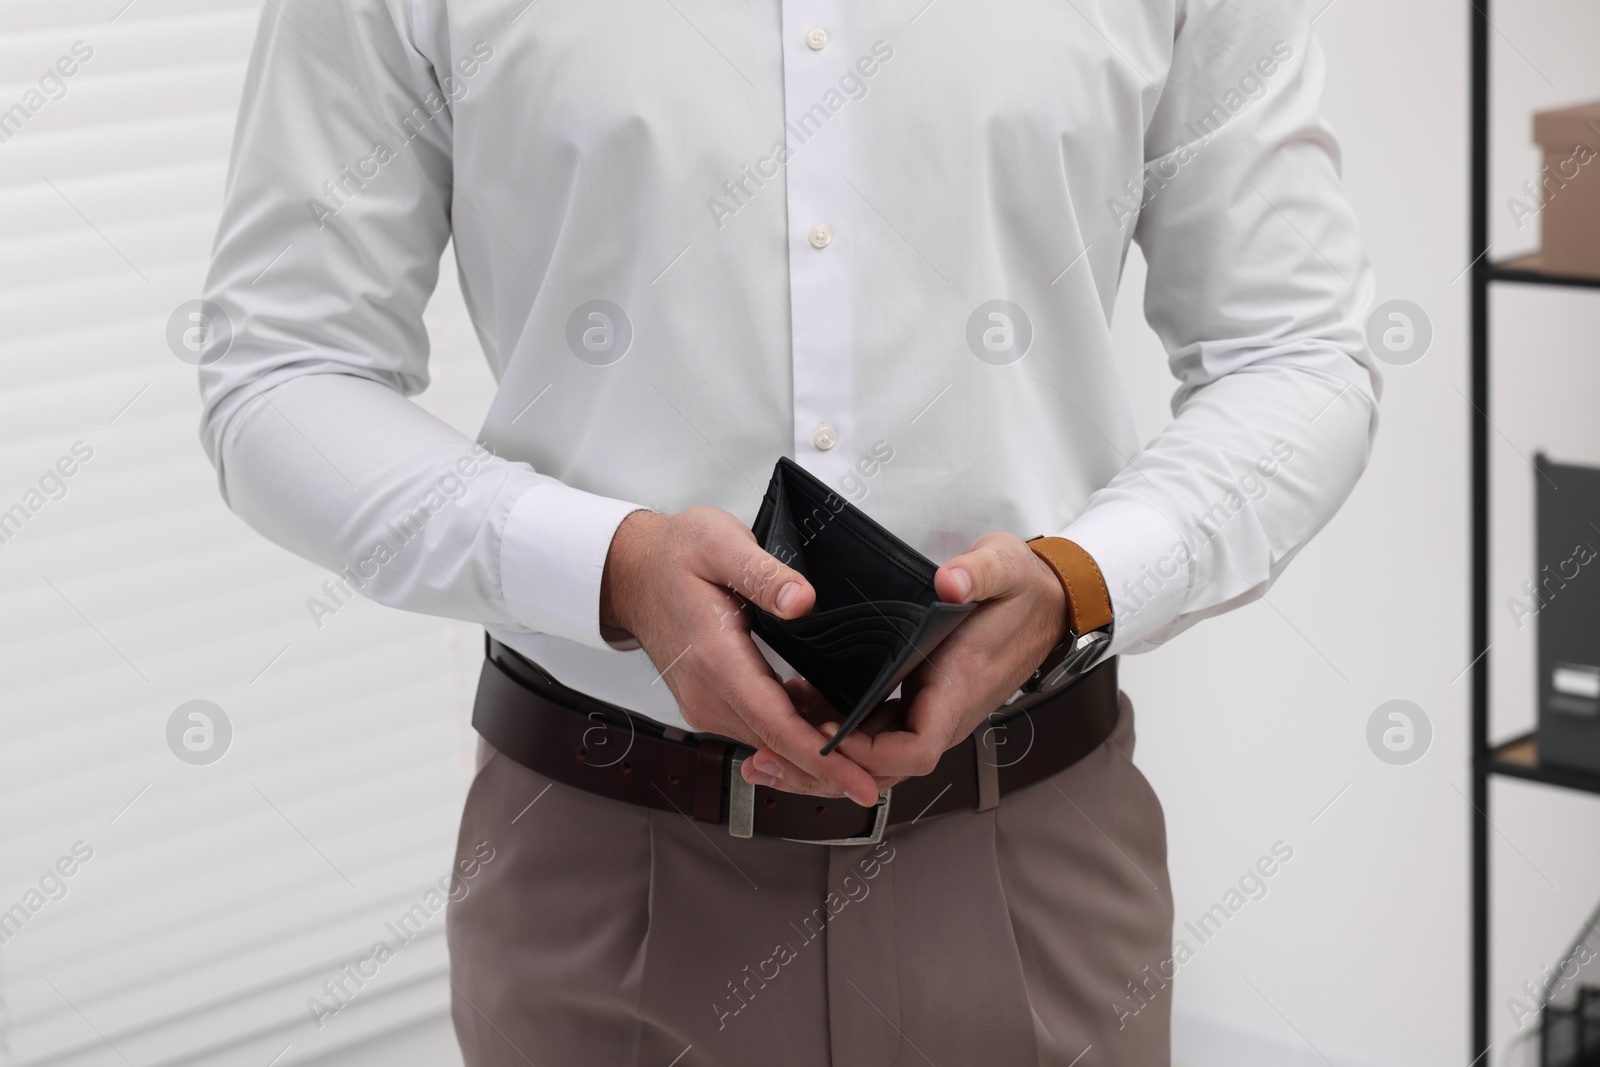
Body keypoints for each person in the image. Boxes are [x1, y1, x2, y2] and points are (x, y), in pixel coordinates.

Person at [198, 1, 1378, 1063]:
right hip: (597, 861)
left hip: (1036, 862)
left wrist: (1083, 580)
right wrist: (610, 567)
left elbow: (1294, 348)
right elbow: (285, 366)